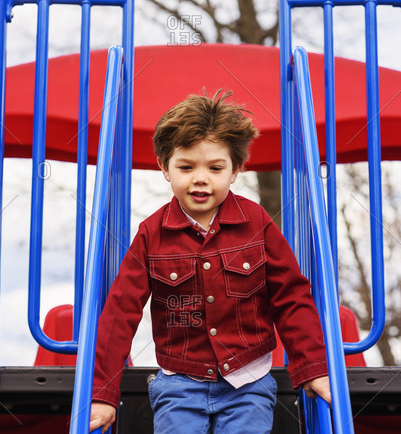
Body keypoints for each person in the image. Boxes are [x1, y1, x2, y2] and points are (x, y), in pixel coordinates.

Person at [89, 90, 330, 434]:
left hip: (248, 380)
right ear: (164, 168)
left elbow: (291, 297)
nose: (200, 178)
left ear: (235, 171)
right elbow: (120, 311)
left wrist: (314, 368)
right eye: (186, 167)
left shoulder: (256, 223)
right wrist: (103, 393)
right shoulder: (152, 234)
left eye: (215, 167)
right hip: (180, 382)